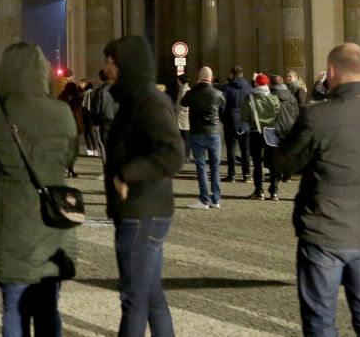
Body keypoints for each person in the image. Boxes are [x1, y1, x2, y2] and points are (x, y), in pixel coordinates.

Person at [0, 42, 78, 336]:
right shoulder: (61, 112)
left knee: (13, 308)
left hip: (10, 222)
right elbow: (69, 157)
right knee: (49, 309)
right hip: (52, 223)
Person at [275, 43, 360, 334]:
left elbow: (284, 163)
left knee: (320, 320)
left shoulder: (319, 116)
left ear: (332, 73)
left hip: (324, 230)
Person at [102, 35, 185, 336]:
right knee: (150, 297)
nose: (106, 69)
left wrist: (127, 173)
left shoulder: (148, 102)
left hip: (142, 211)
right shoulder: (135, 99)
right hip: (142, 209)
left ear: (128, 66)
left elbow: (174, 154)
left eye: (111, 63)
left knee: (133, 299)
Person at [181, 66, 225, 209]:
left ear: (198, 78)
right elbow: (223, 105)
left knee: (201, 167)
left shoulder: (191, 93)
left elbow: (183, 103)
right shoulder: (218, 93)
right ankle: (216, 199)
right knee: (215, 167)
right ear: (211, 78)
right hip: (214, 132)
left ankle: (204, 200)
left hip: (197, 132)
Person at [242, 73, 281, 201]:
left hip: (256, 132)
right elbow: (278, 114)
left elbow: (245, 117)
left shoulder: (250, 98)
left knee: (257, 163)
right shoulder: (274, 98)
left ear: (256, 84)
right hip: (271, 132)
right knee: (274, 162)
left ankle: (259, 191)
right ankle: (274, 191)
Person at [220, 66, 252, 183]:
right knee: (246, 150)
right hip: (245, 122)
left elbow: (221, 107)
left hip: (231, 121)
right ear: (242, 75)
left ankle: (231, 174)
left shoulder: (226, 88)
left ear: (232, 74)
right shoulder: (249, 88)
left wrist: (224, 120)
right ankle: (247, 174)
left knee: (231, 149)